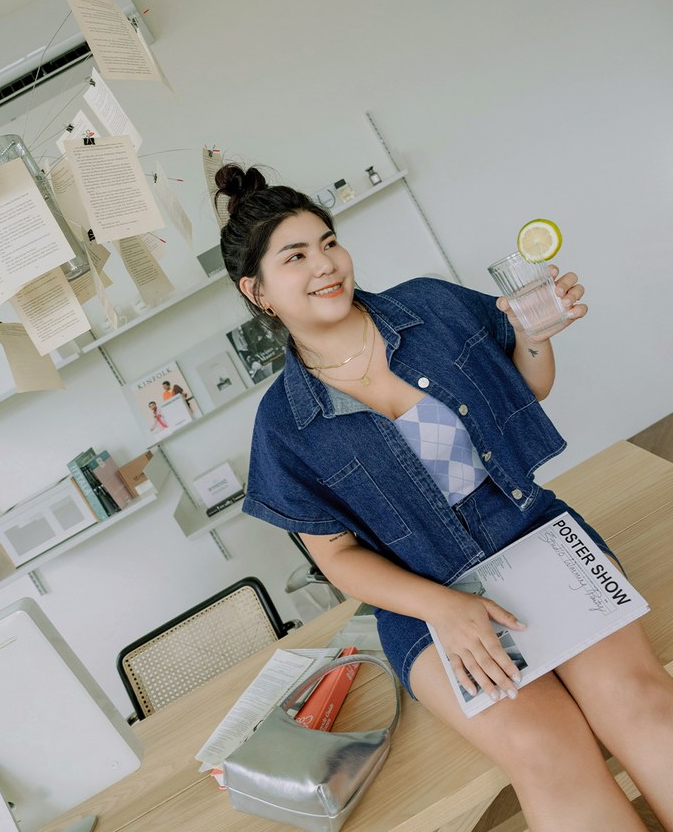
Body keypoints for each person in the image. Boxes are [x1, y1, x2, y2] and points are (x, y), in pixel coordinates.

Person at [215, 164, 673, 831]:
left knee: (640, 704)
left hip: (532, 531)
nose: (326, 264)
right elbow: (337, 558)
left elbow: (527, 388)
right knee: (551, 755)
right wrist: (445, 608)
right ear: (256, 291)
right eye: (296, 256)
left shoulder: (430, 307)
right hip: (422, 603)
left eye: (328, 241)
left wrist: (536, 336)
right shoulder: (283, 425)